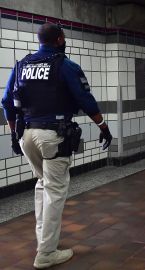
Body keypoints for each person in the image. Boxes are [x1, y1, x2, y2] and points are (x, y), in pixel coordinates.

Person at [1, 23, 112, 269]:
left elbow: (7, 102)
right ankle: (46, 253)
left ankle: (44, 242)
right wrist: (103, 127)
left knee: (43, 185)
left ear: (39, 40)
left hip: (26, 135)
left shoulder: (21, 66)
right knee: (55, 192)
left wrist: (12, 135)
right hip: (54, 136)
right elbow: (85, 100)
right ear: (60, 39)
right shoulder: (65, 65)